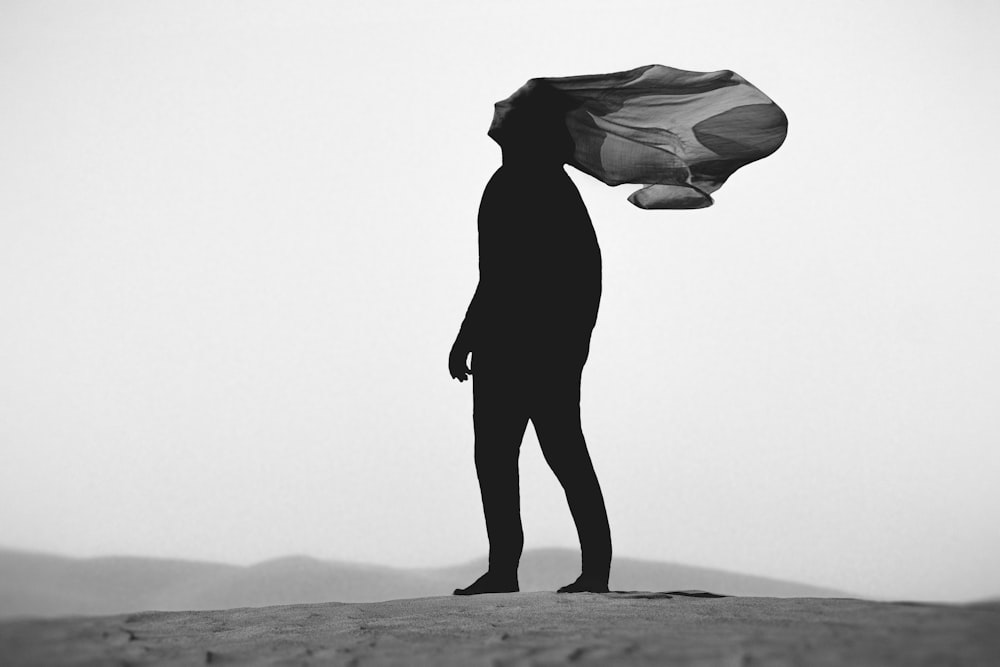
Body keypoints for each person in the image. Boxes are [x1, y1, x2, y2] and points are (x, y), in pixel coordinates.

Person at [449, 82, 612, 595]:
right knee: (534, 455)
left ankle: (543, 572)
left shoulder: (521, 184)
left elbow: (501, 275)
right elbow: (513, 275)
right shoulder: (546, 185)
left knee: (530, 455)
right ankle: (533, 571)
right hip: (525, 347)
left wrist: (467, 337)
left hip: (521, 348)